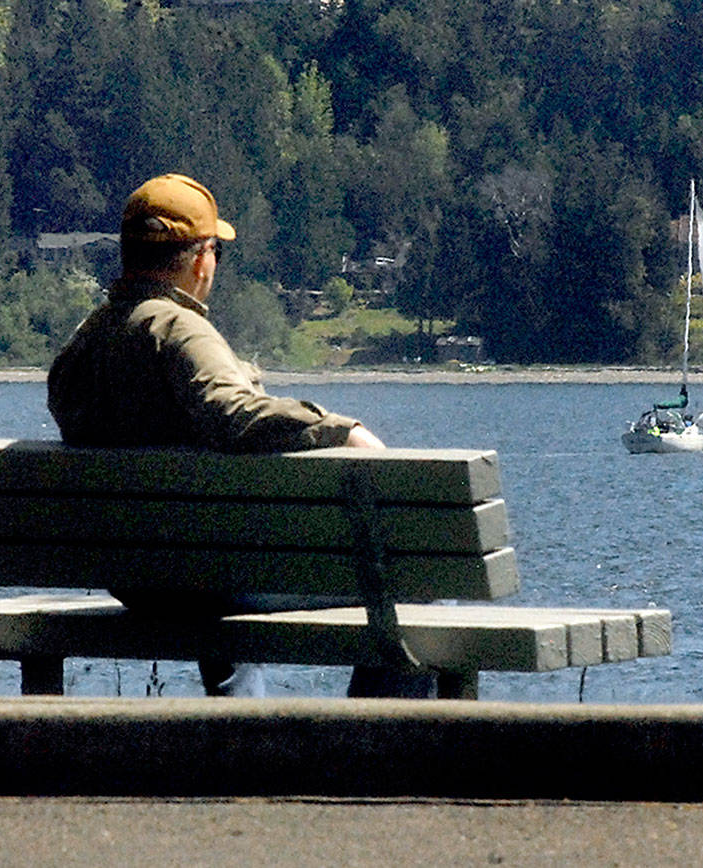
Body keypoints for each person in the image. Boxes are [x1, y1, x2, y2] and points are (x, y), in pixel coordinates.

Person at [47, 173, 430, 698]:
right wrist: (344, 430)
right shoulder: (177, 329)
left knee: (212, 548)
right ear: (200, 258)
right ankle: (374, 754)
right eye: (217, 253)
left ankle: (241, 730)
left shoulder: (84, 344)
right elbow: (234, 413)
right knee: (416, 586)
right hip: (208, 580)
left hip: (135, 580)